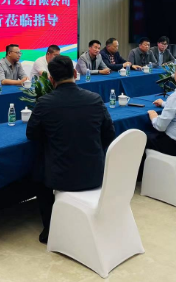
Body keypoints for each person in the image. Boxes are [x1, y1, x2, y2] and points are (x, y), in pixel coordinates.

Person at [26, 55, 115, 243]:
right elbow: (109, 134)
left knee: (37, 172)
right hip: (96, 173)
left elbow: (32, 134)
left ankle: (50, 228)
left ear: (51, 79)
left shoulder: (45, 102)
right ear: (75, 73)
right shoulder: (95, 99)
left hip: (61, 178)